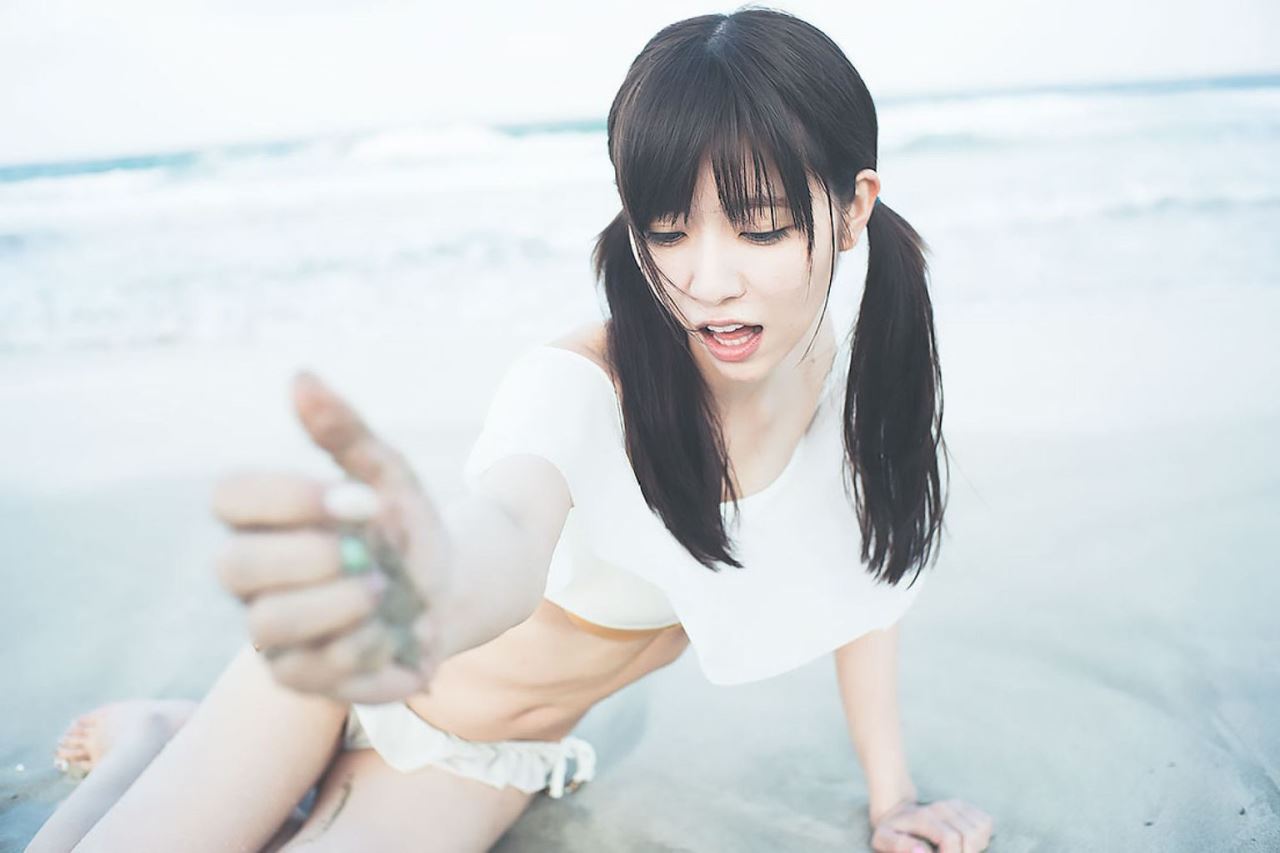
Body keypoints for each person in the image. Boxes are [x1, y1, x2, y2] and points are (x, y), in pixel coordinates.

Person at [27, 8, 995, 853]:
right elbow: (508, 526)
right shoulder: (581, 385)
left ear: (853, 207)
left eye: (761, 226)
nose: (707, 279)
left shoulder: (861, 377)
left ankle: (168, 738)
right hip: (352, 673)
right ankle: (159, 740)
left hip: (479, 759)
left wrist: (892, 799)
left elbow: (865, 580)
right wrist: (430, 586)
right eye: (667, 231)